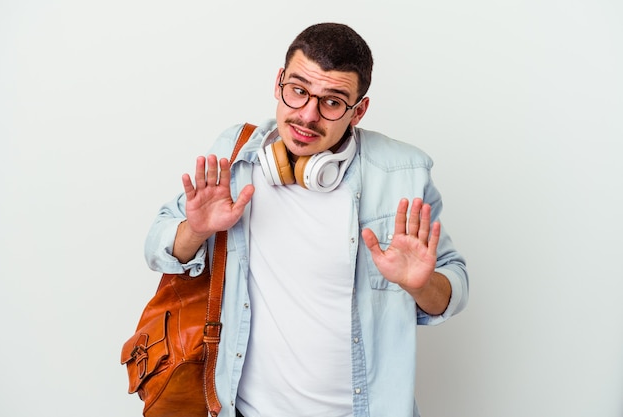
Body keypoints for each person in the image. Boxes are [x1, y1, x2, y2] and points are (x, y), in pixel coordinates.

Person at [145, 22, 468, 417]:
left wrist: (420, 286)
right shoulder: (236, 155)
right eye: (298, 91)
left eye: (332, 102)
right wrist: (196, 230)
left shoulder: (403, 173)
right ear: (279, 82)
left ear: (358, 110)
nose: (307, 115)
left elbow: (453, 288)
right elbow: (157, 245)